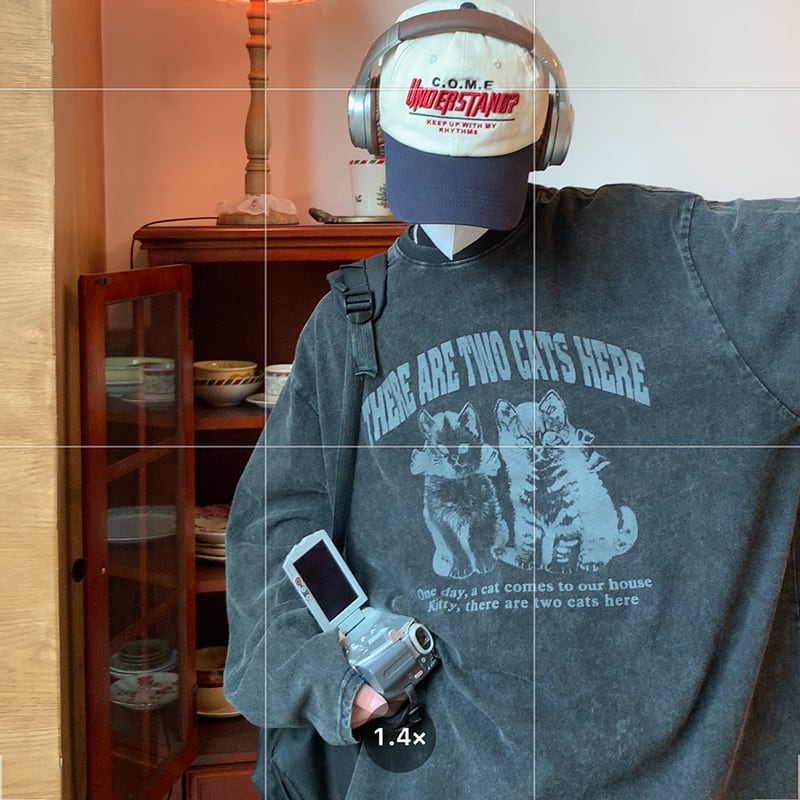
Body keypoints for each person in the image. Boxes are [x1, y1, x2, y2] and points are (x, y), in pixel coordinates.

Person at [224, 1, 800, 798]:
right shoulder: (354, 319)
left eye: (481, 173)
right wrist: (335, 684)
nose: (455, 210)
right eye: (435, 169)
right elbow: (273, 525)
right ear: (372, 130)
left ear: (545, 138)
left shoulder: (679, 261)